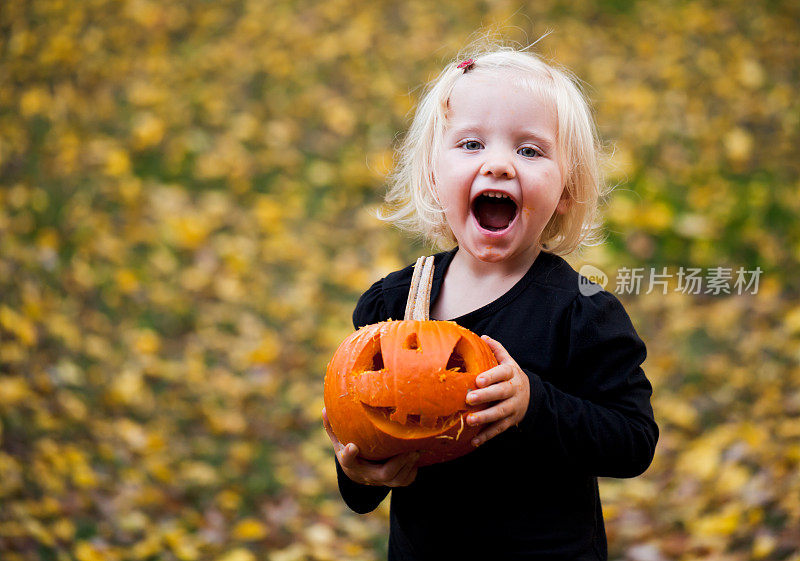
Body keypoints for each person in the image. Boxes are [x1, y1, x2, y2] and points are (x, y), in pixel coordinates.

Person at [322, 45, 658, 560]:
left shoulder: (580, 311)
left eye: (529, 150)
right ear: (434, 174)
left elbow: (633, 440)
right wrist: (359, 473)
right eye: (472, 143)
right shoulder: (390, 308)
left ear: (566, 189)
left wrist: (534, 404)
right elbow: (368, 436)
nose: (498, 164)